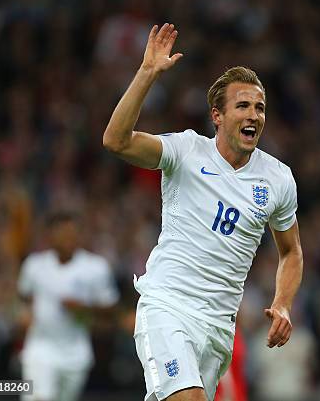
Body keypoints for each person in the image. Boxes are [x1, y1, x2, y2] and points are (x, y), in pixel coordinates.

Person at [103, 22, 303, 401]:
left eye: (259, 108)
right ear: (218, 116)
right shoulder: (185, 152)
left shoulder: (278, 179)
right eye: (242, 105)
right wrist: (147, 73)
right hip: (168, 305)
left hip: (218, 327)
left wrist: (283, 305)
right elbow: (116, 141)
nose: (254, 115)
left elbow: (291, 251)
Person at [18, 212, 119, 401]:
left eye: (71, 233)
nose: (67, 238)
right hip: (40, 347)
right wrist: (24, 315)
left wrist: (85, 308)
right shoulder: (34, 266)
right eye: (61, 233)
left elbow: (111, 309)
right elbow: (24, 297)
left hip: (76, 352)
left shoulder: (95, 267)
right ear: (49, 235)